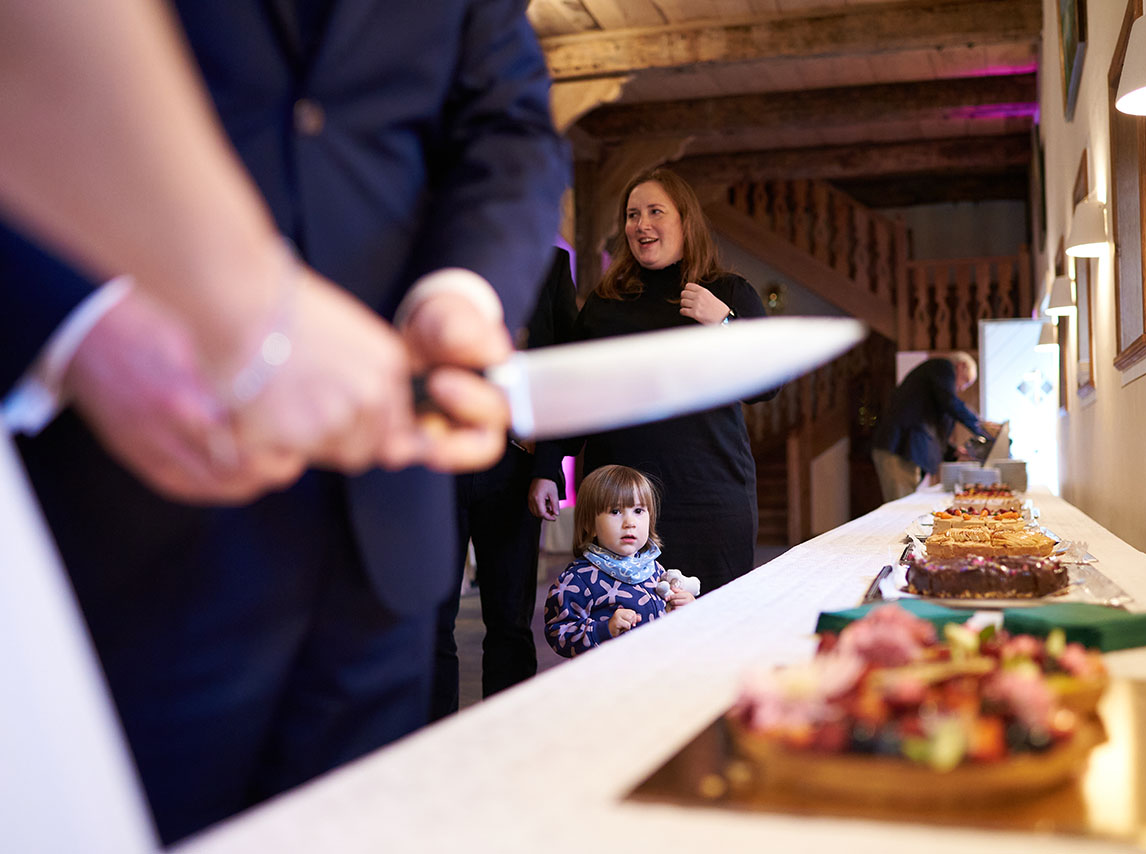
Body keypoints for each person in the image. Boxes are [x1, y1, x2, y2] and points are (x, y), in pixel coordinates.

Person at [4, 0, 567, 844]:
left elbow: (507, 127)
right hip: (114, 502)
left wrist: (458, 294)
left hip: (381, 530)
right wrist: (82, 324)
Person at [531, 168, 775, 595]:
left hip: (708, 498)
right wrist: (548, 467)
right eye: (631, 214)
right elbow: (573, 394)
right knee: (621, 630)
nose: (641, 224)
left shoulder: (728, 293)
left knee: (713, 629)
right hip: (617, 504)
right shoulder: (606, 305)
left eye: (655, 211)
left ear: (685, 220)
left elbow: (768, 385)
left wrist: (723, 323)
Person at [432, 247, 578, 718]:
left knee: (511, 623)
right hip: (438, 461)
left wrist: (548, 468)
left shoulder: (549, 264)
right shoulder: (438, 249)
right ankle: (432, 744)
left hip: (517, 465)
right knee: (431, 622)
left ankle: (506, 734)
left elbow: (561, 373)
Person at [544, 465, 695, 658]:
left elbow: (661, 616)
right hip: (610, 677)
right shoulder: (578, 579)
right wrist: (603, 629)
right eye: (615, 511)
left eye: (638, 510)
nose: (630, 522)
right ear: (591, 525)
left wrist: (681, 608)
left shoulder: (652, 567)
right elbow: (558, 633)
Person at [871, 351, 1001, 501]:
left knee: (906, 502)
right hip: (899, 448)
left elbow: (934, 427)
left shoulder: (935, 381)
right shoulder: (943, 367)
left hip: (904, 449)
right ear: (961, 366)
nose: (962, 388)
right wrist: (980, 425)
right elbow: (950, 403)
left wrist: (954, 451)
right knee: (900, 507)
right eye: (965, 381)